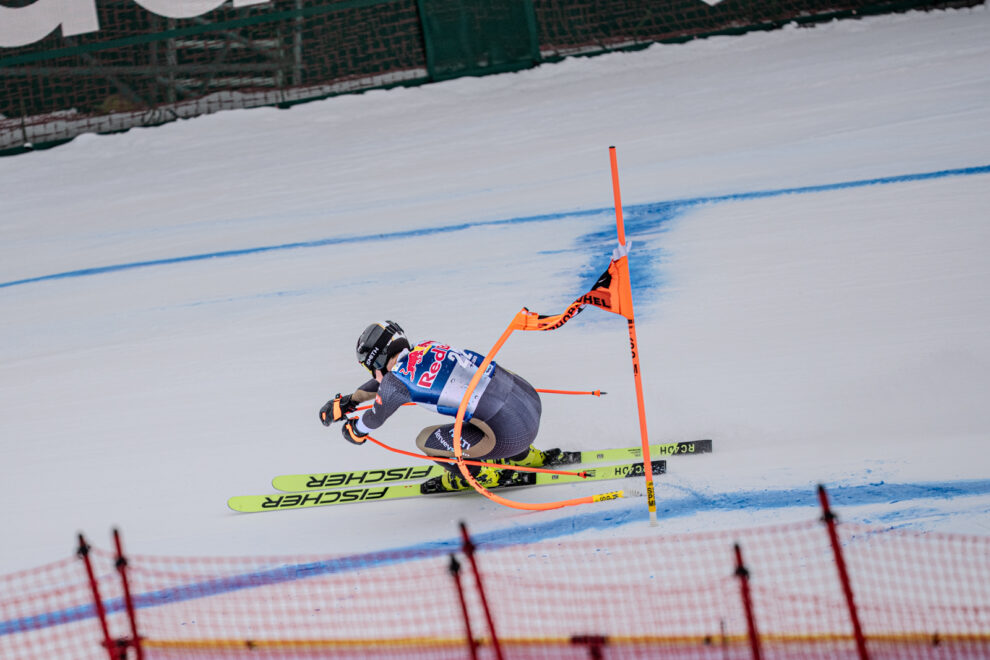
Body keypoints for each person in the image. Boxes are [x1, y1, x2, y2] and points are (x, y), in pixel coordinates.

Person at [319, 320, 559, 492]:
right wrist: (352, 399)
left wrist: (355, 431)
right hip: (529, 403)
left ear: (377, 360)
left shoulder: (395, 382)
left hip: (510, 436)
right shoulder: (426, 346)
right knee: (482, 410)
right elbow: (386, 384)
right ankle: (526, 457)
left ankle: (478, 475)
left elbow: (374, 418)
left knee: (425, 439)